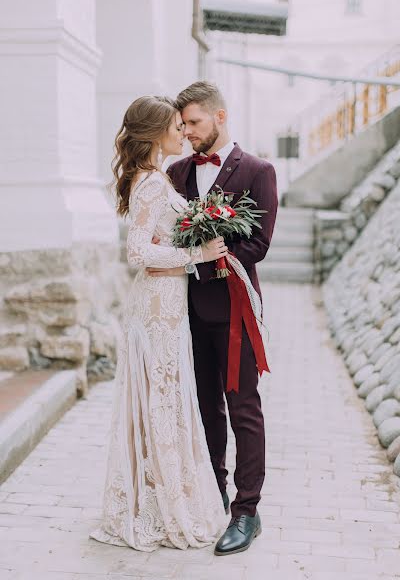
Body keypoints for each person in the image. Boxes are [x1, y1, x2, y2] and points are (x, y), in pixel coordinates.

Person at [90, 95, 227, 552]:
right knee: (162, 401)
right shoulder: (150, 184)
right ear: (154, 134)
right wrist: (197, 254)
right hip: (156, 309)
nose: (183, 132)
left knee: (164, 401)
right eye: (175, 126)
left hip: (167, 305)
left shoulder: (155, 179)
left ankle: (163, 494)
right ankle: (161, 504)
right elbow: (139, 254)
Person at [149, 81, 278, 555]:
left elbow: (258, 243)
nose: (187, 132)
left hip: (234, 309)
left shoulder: (259, 170)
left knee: (243, 405)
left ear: (220, 117)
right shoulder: (177, 171)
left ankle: (247, 511)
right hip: (184, 310)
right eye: (181, 125)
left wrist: (204, 260)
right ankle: (213, 492)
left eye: (194, 123)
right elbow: (167, 233)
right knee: (203, 405)